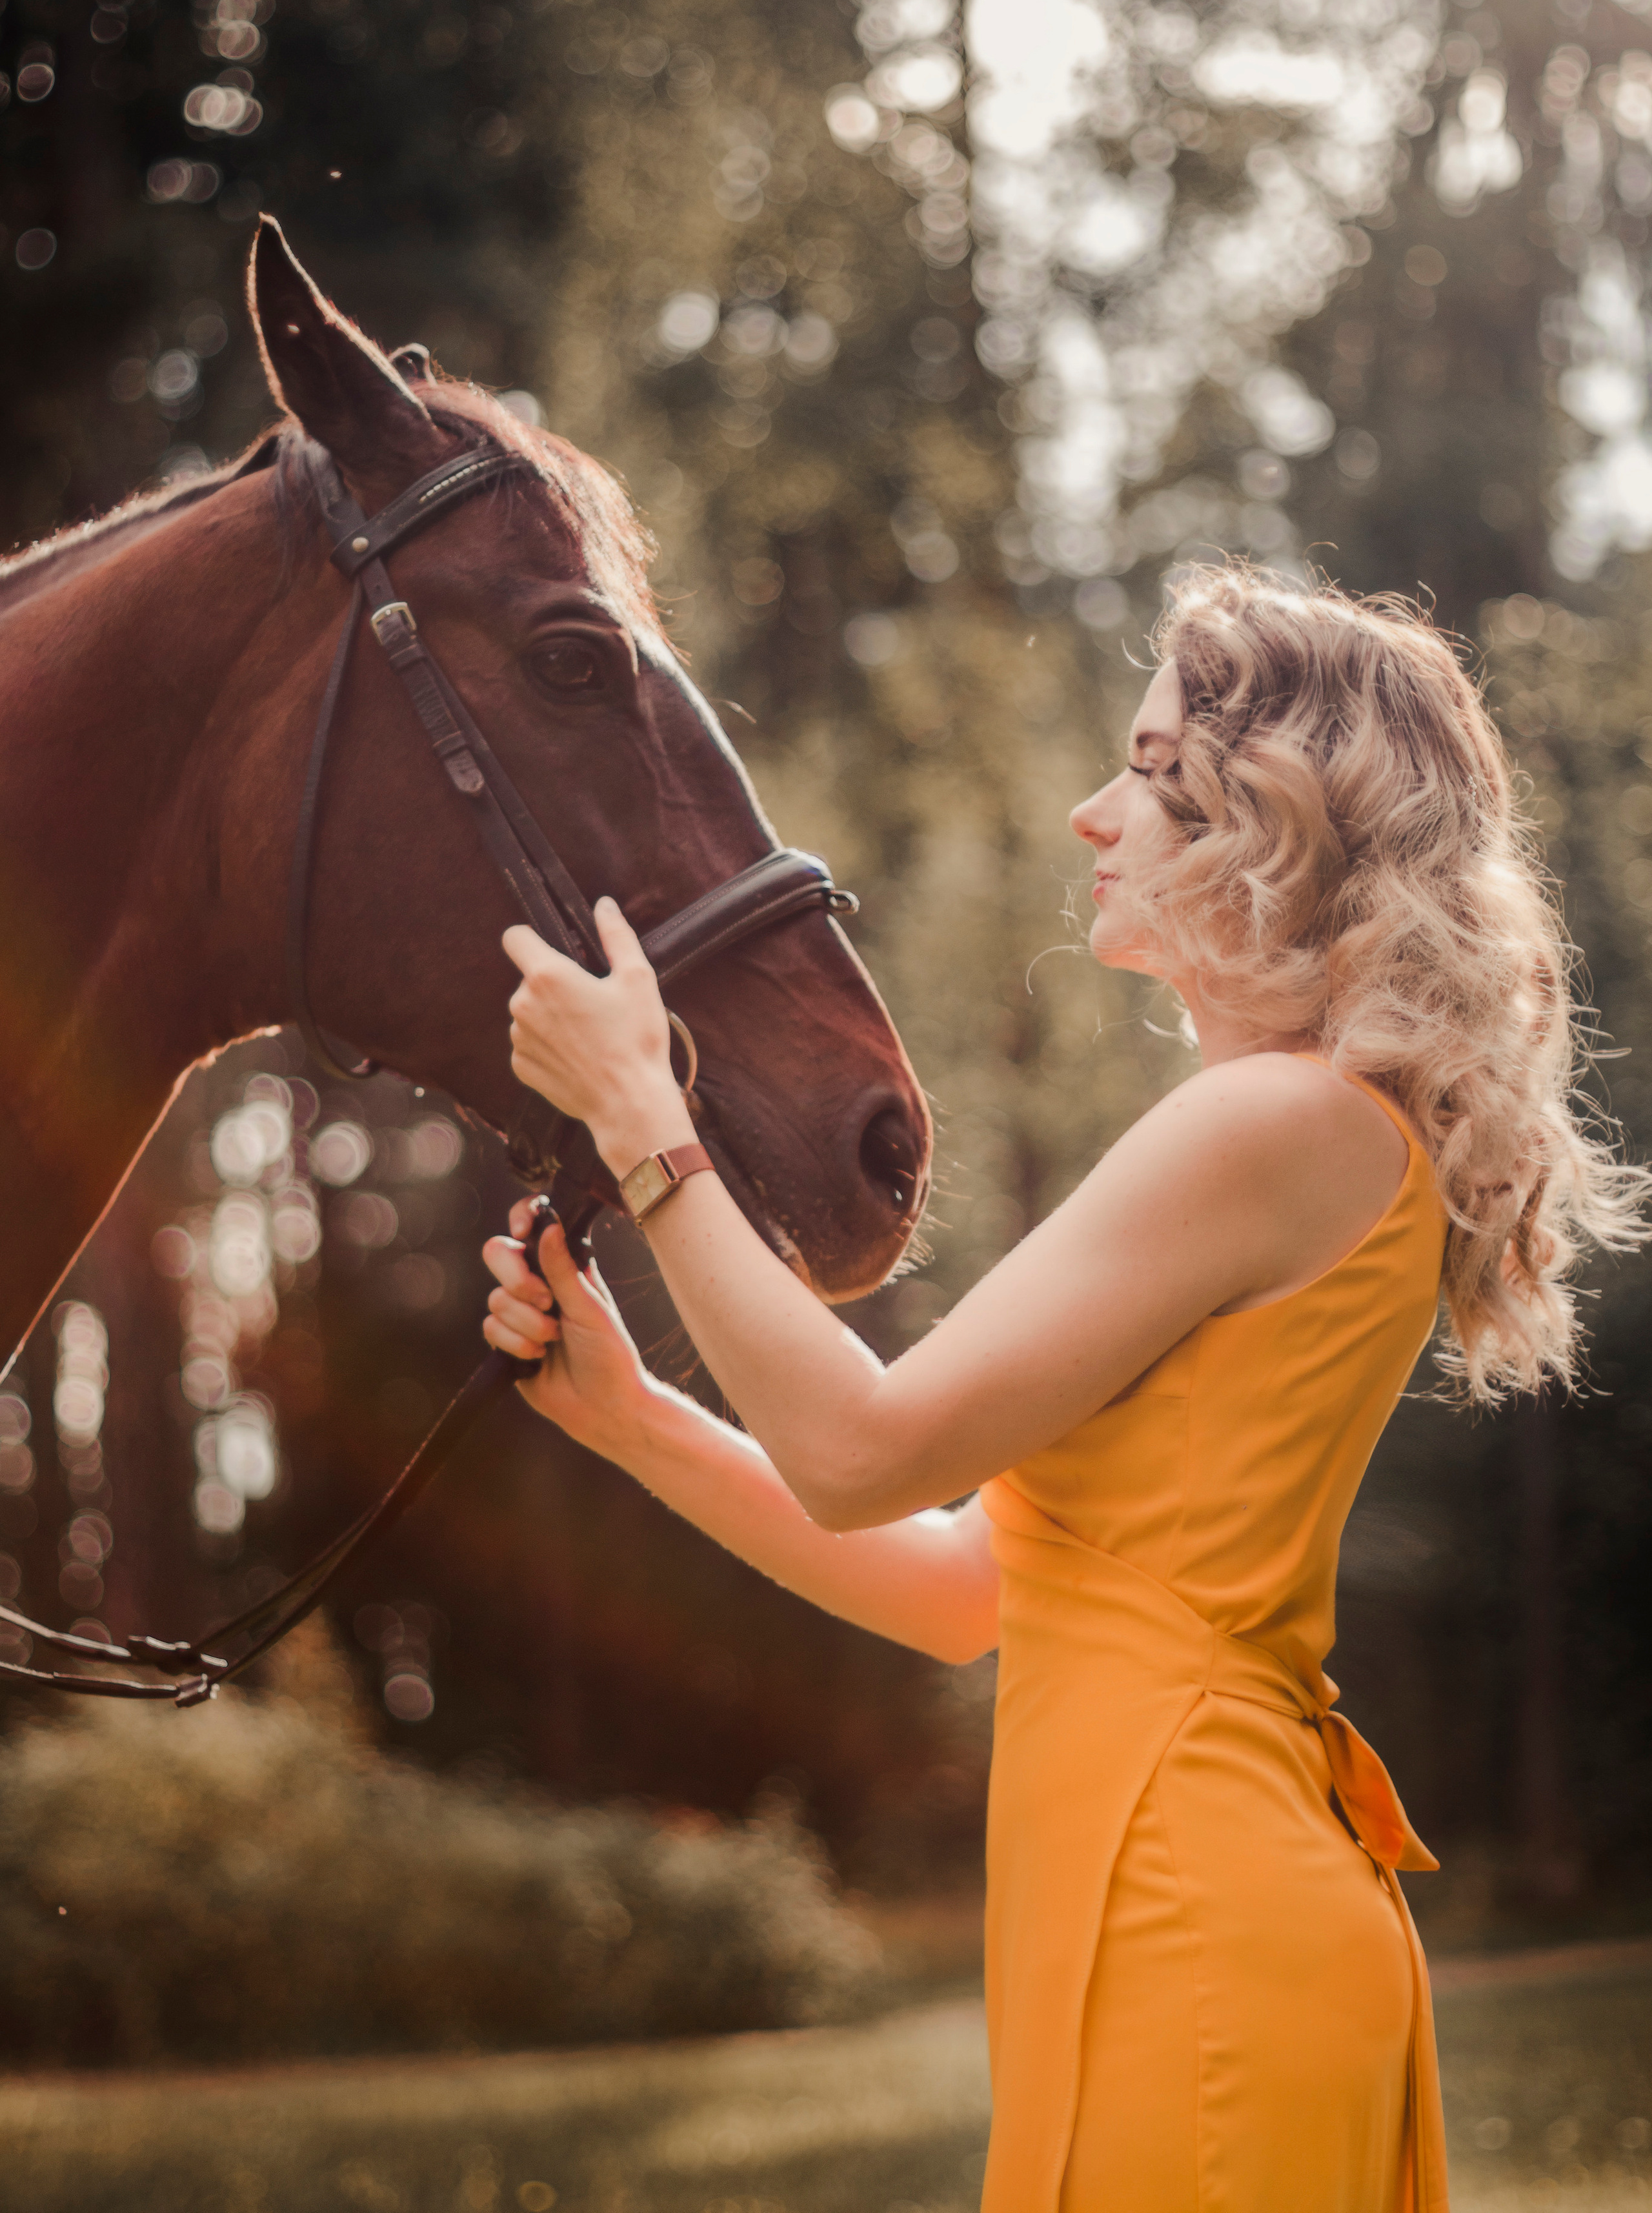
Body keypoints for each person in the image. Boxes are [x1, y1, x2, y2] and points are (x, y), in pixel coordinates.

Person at [482, 563, 1644, 2213]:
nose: (1093, 816)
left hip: (1186, 1912)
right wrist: (631, 1413)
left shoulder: (1269, 1125)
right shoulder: (1309, 1131)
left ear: (1270, 822)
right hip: (1177, 1896)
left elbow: (859, 1446)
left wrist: (641, 1125)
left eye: (1150, 772)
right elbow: (971, 1587)